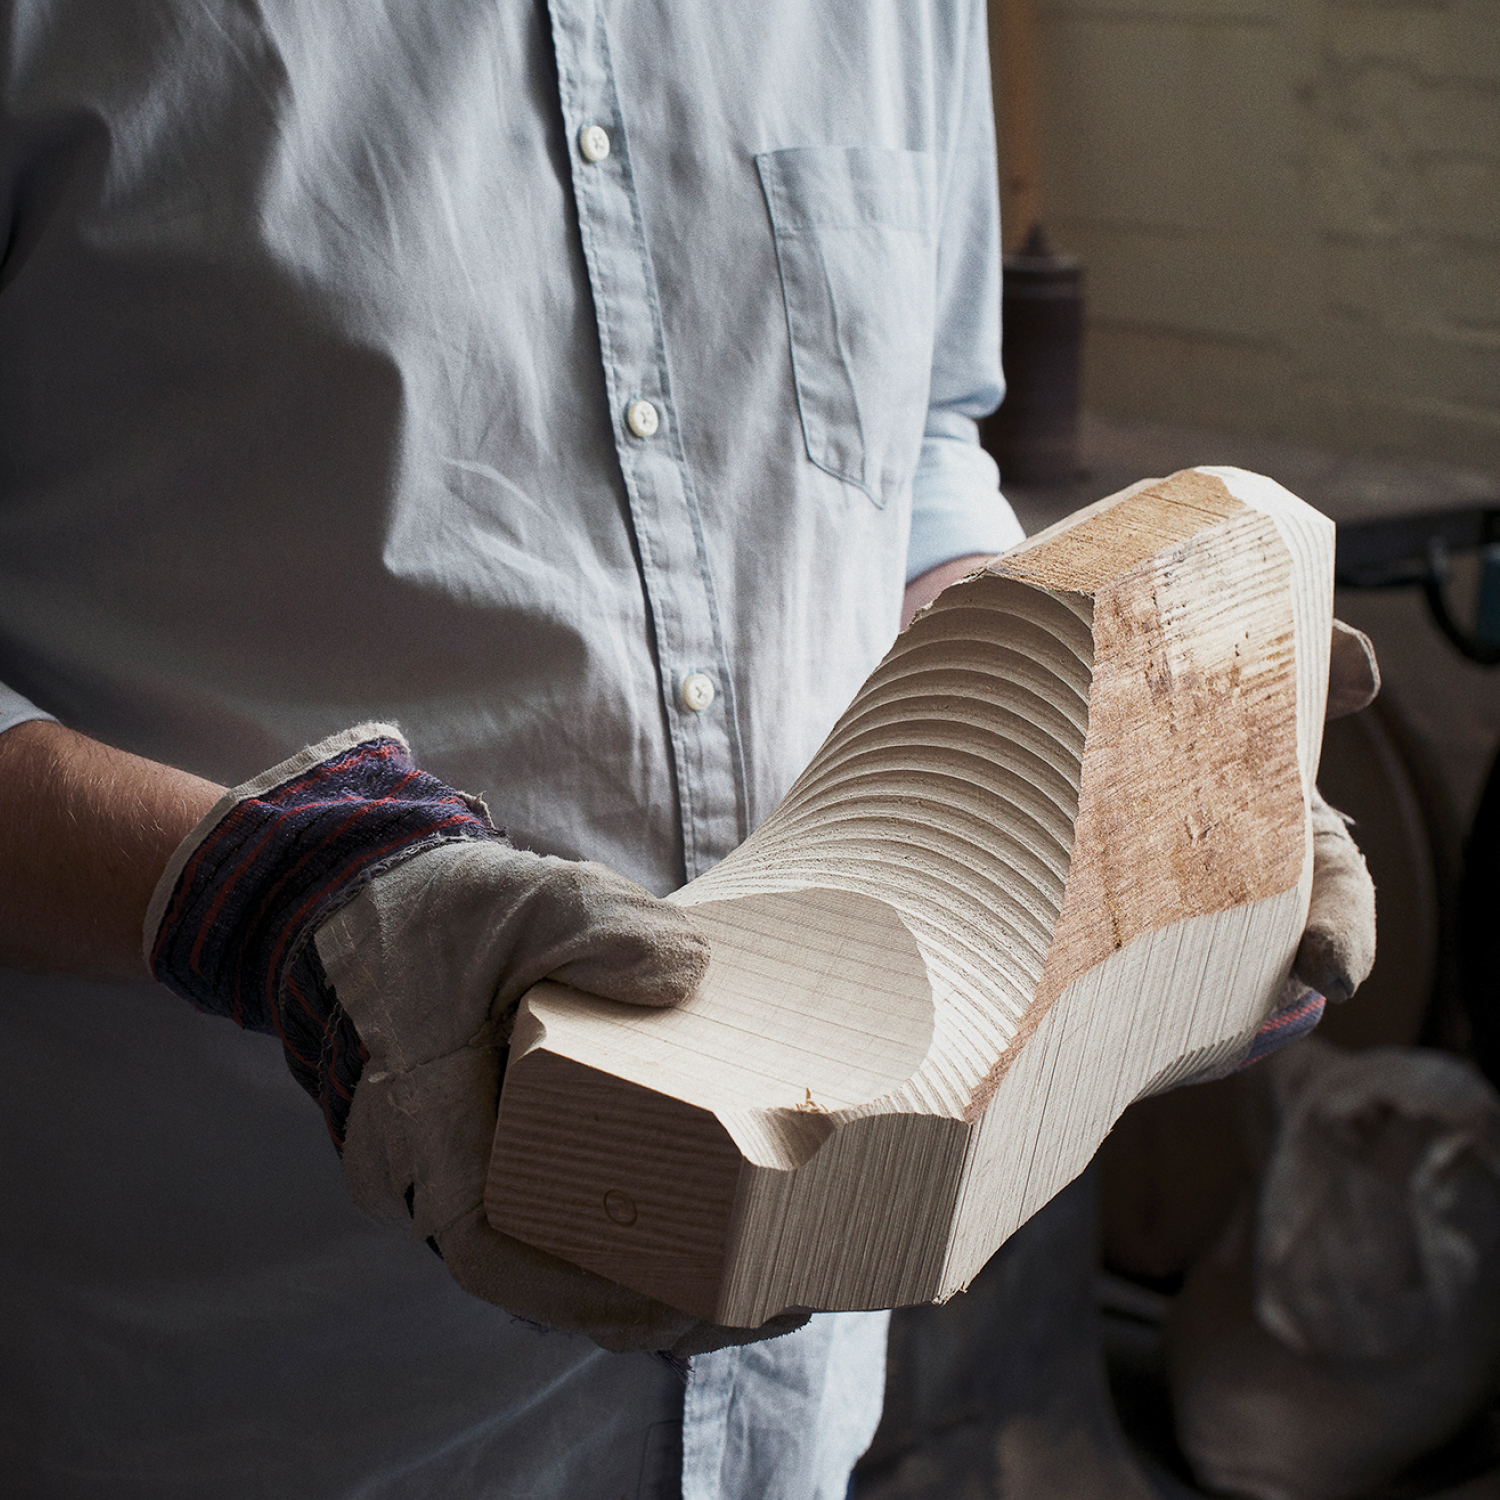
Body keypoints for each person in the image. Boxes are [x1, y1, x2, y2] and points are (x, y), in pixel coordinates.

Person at [0, 3, 1372, 1497]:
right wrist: (258, 896)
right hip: (255, 1389)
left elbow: (915, 450)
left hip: (792, 1402)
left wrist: (1111, 745)